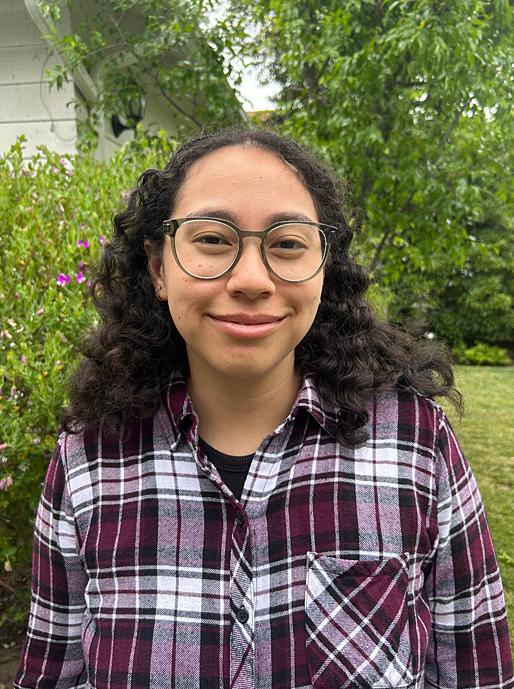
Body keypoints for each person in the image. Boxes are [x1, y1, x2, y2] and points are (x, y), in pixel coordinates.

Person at [15, 126, 512, 689]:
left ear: (323, 268)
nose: (252, 280)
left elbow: (479, 671)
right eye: (212, 240)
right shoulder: (88, 459)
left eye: (287, 244)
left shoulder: (416, 445)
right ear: (158, 268)